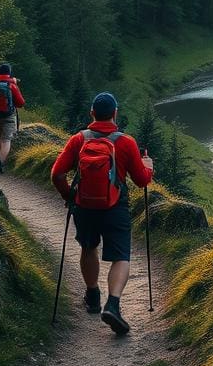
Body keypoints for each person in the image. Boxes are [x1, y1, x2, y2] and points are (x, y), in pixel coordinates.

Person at [50, 92, 154, 336]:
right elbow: (140, 181)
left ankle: (93, 295)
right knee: (120, 257)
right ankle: (113, 304)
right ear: (115, 114)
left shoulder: (79, 140)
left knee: (88, 247)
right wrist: (148, 167)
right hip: (115, 207)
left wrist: (70, 197)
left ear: (92, 114)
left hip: (84, 206)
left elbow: (56, 174)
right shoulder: (126, 142)